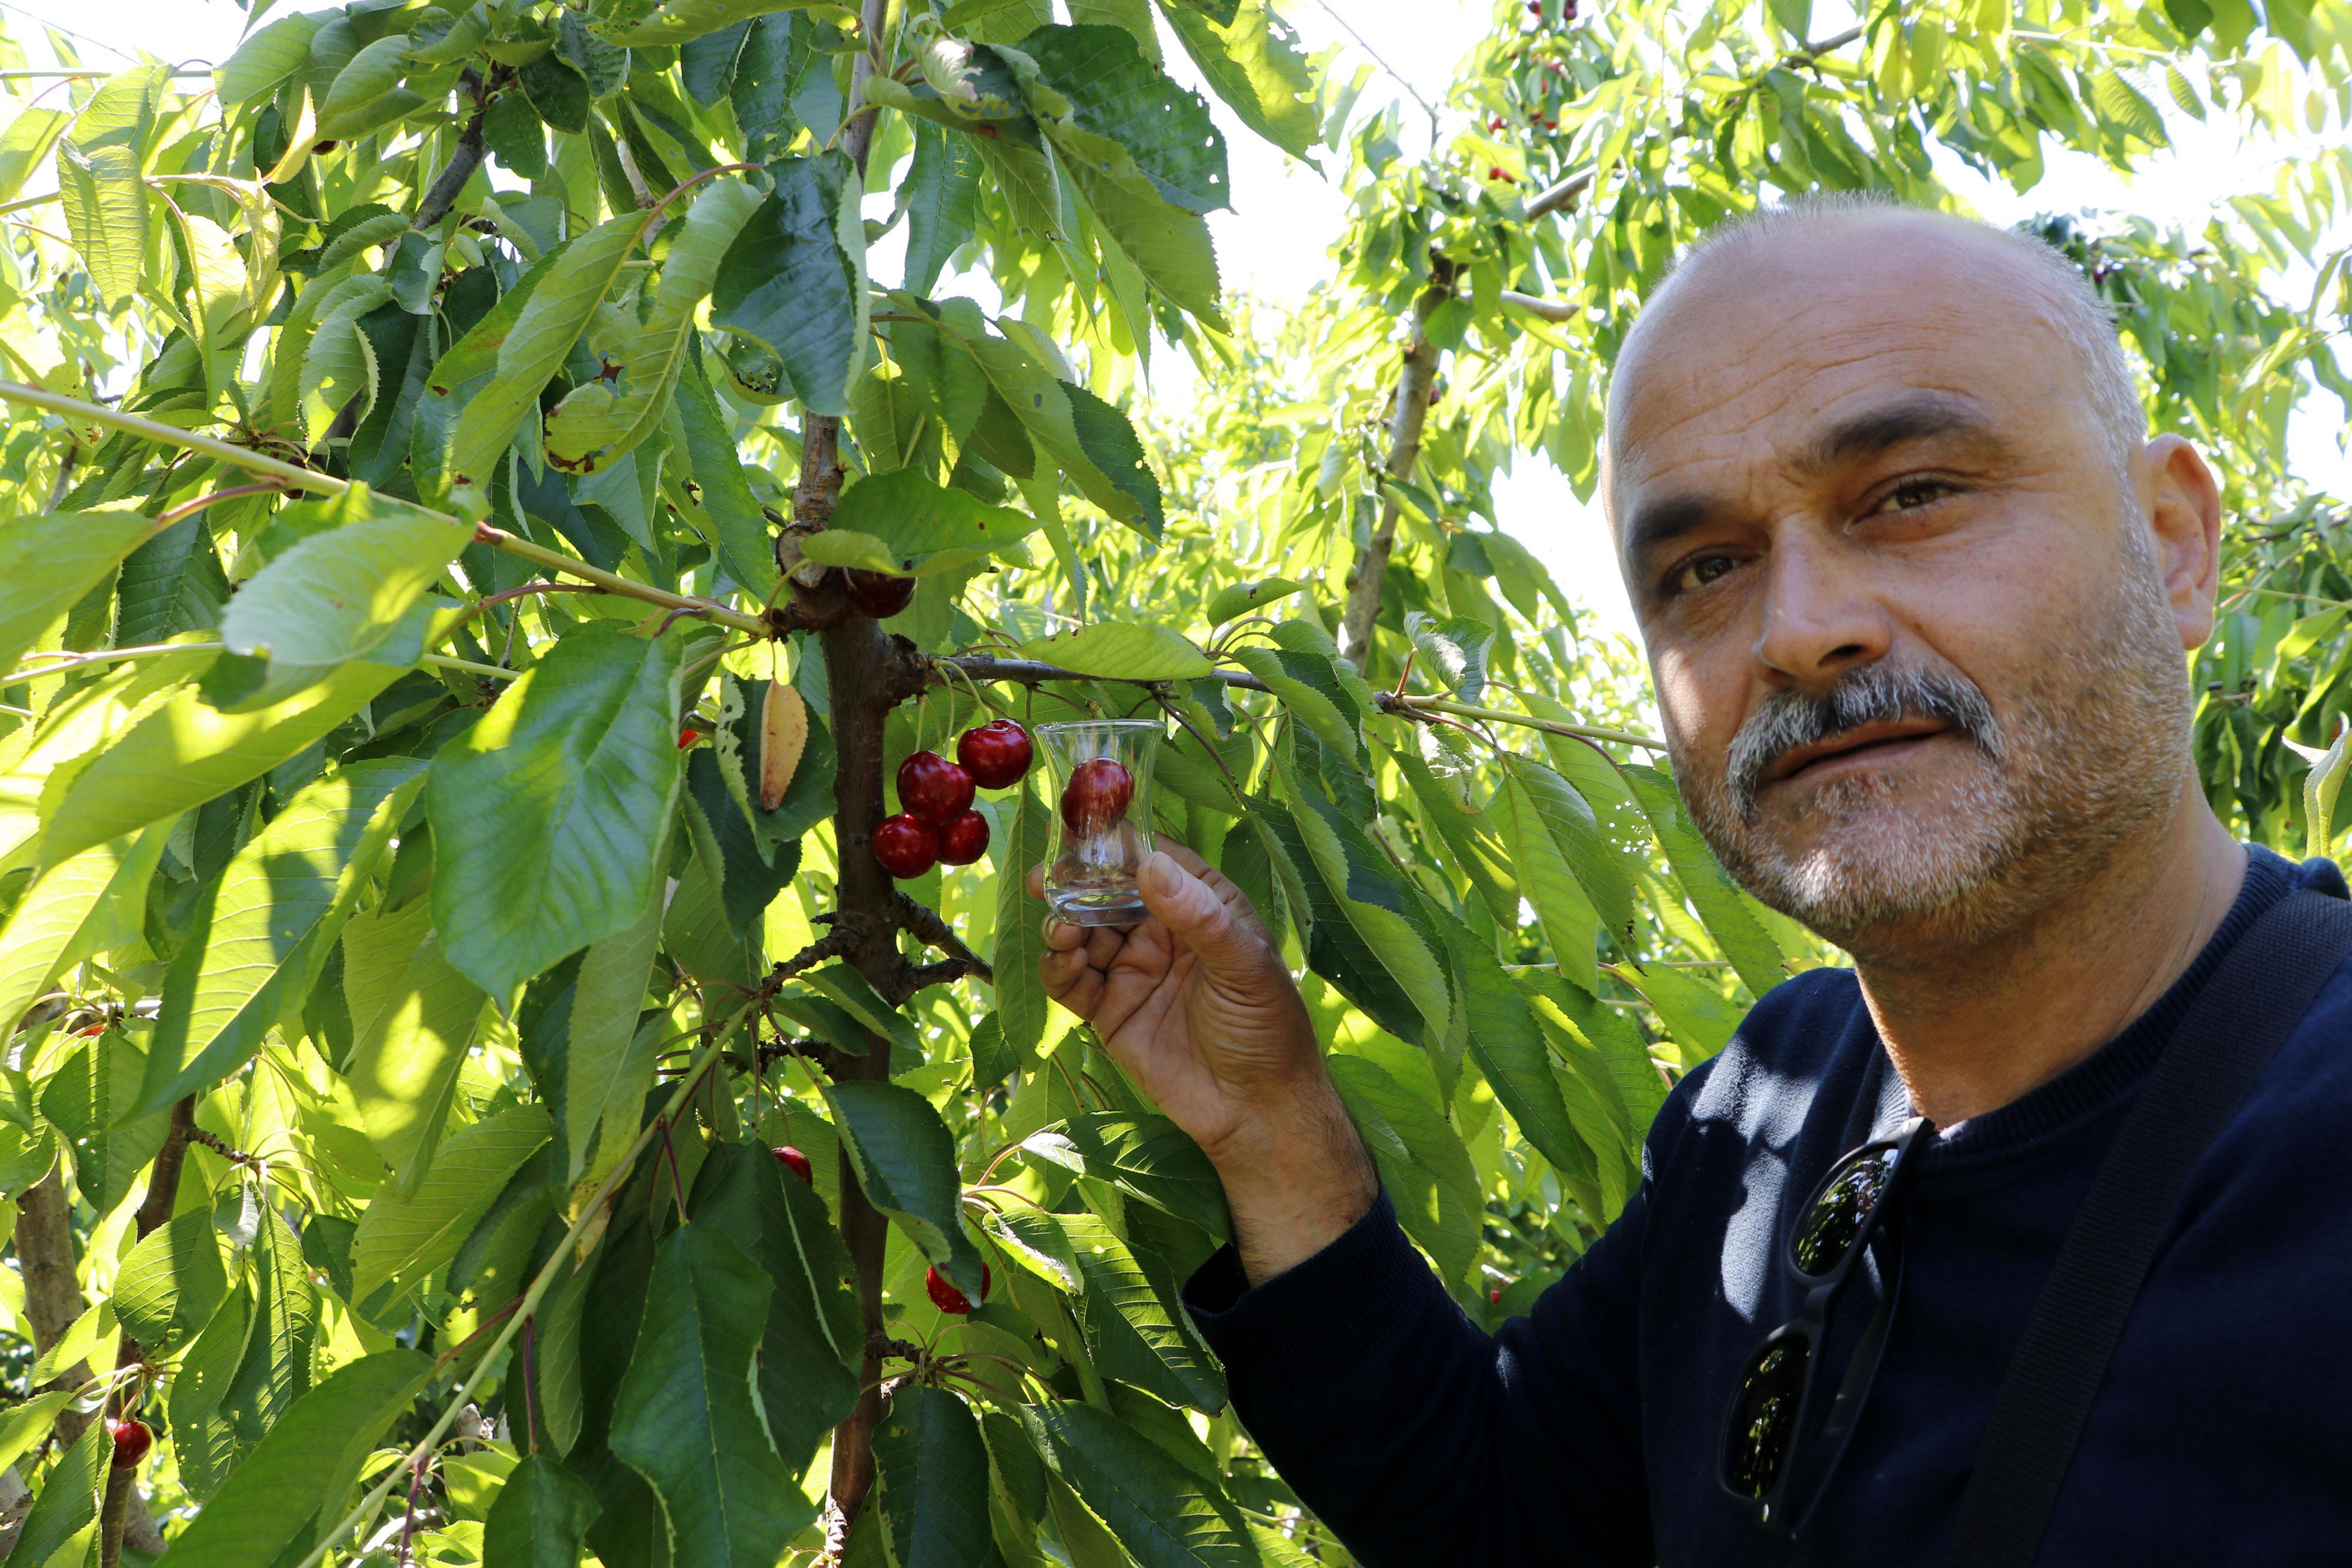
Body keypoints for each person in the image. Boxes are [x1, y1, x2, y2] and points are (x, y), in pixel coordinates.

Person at [1030, 195, 2352, 1565]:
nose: (1799, 629)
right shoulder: (1764, 1108)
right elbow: (1506, 1518)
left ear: (2174, 545)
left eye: (1910, 496)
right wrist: (1272, 1123)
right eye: (1703, 566)